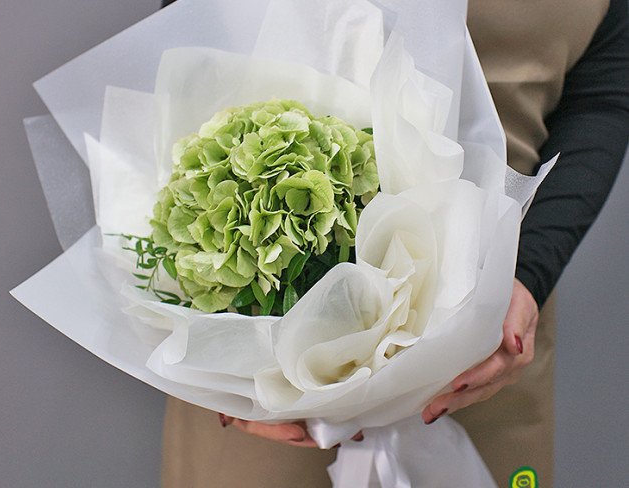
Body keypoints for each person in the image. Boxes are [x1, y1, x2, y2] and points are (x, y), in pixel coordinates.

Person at [160, 0, 629, 486]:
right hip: (264, 346)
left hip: (490, 345)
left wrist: (529, 276)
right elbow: (186, 34)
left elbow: (602, 87)